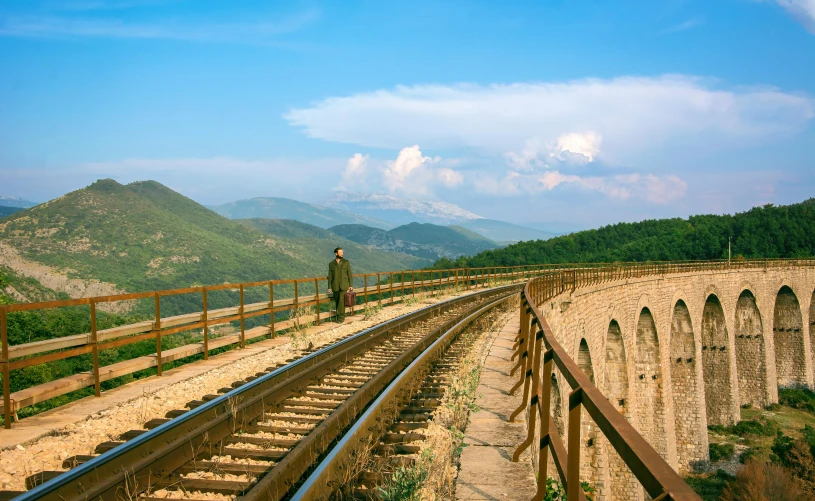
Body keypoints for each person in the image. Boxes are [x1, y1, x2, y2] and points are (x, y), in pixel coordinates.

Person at [327, 247, 353, 323]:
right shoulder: (331, 264)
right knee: (337, 301)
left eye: (342, 252)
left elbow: (349, 274)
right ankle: (340, 316)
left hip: (344, 285)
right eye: (340, 252)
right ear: (336, 253)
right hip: (335, 286)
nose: (342, 253)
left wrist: (351, 285)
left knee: (341, 301)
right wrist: (329, 287)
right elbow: (330, 276)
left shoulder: (346, 262)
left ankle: (340, 318)